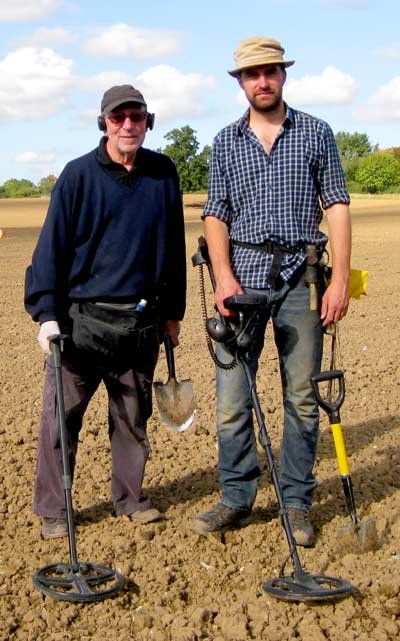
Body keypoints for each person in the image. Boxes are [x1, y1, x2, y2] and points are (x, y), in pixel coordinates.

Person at [191, 37, 351, 546]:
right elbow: (215, 214)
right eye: (252, 74)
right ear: (239, 81)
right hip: (242, 280)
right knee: (233, 400)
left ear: (283, 75)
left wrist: (340, 278)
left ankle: (298, 501)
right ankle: (236, 498)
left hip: (303, 281)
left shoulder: (316, 132)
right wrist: (223, 276)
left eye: (271, 72)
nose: (263, 81)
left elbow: (339, 206)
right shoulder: (225, 141)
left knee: (302, 398)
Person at [25, 84, 186, 539]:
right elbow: (50, 250)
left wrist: (172, 313)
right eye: (119, 118)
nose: (128, 125)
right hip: (80, 324)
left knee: (133, 418)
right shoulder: (77, 176)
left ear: (147, 121)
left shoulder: (162, 174)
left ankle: (131, 499)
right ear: (104, 123)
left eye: (136, 117)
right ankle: (55, 509)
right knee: (61, 420)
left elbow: (172, 248)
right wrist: (46, 315)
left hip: (139, 323)